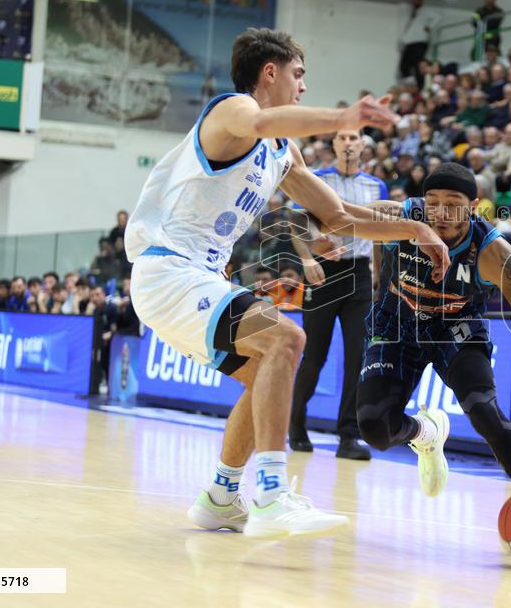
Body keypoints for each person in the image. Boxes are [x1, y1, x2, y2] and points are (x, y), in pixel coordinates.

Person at [125, 27, 450, 538]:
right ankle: (272, 494)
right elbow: (261, 119)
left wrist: (412, 228)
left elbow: (339, 216)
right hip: (169, 268)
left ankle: (220, 497)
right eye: (298, 75)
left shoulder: (283, 152)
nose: (302, 87)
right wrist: (344, 117)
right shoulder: (231, 112)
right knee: (287, 337)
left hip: (193, 277)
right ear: (269, 73)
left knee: (263, 377)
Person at [357, 164, 511, 561]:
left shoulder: (493, 252)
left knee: (484, 412)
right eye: (433, 204)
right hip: (398, 321)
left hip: (455, 327)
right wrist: (381, 285)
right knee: (374, 429)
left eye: (453, 205)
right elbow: (352, 225)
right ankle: (426, 432)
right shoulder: (398, 218)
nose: (441, 214)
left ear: (474, 207)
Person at [289, 128, 388, 461]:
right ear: (334, 144)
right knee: (314, 355)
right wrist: (305, 259)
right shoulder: (316, 179)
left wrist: (379, 280)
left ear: (362, 146)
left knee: (357, 358)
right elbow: (297, 220)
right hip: (323, 271)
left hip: (359, 275)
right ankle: (295, 422)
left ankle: (349, 435)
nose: (348, 143)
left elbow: (378, 236)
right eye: (342, 138)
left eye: (353, 138)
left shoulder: (377, 186)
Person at [399, 0, 439, 81]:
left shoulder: (426, 11)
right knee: (403, 66)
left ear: (421, 1)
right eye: (413, 0)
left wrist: (429, 27)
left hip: (420, 42)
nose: (414, 2)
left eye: (416, 0)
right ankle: (409, 83)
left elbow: (438, 17)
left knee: (418, 66)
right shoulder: (411, 13)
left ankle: (419, 86)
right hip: (410, 43)